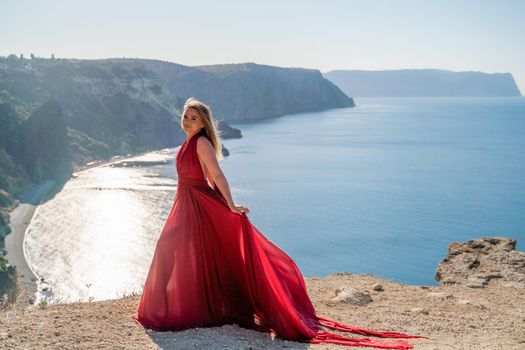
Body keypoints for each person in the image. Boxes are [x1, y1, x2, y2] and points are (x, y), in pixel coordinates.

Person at [132, 97, 428, 349]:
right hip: (188, 203)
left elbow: (216, 177)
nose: (187, 120)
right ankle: (191, 304)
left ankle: (181, 307)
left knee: (172, 248)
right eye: (185, 115)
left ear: (203, 123)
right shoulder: (188, 142)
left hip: (199, 204)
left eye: (193, 117)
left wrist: (230, 206)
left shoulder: (202, 144)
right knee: (187, 253)